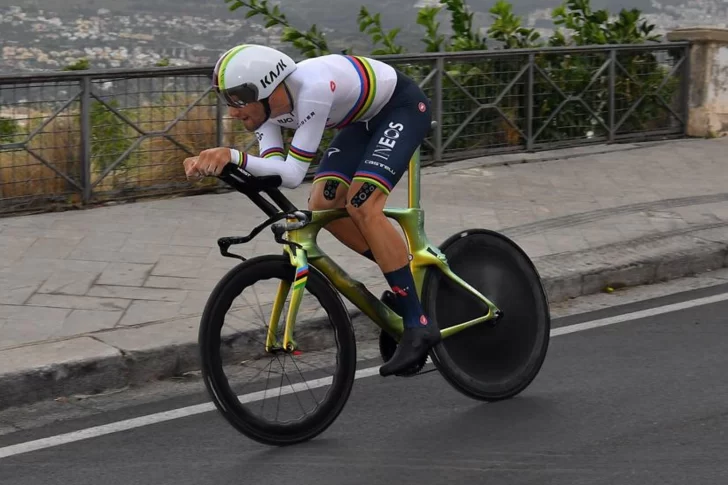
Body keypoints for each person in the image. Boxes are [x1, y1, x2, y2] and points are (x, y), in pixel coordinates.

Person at [183, 44, 440, 377]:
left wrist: (231, 156)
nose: (232, 112)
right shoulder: (267, 110)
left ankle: (418, 323)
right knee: (323, 204)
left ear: (265, 88)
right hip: (361, 121)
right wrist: (216, 165)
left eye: (236, 100)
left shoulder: (313, 90)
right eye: (227, 101)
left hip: (402, 107)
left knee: (362, 204)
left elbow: (291, 175)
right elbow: (273, 167)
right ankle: (406, 279)